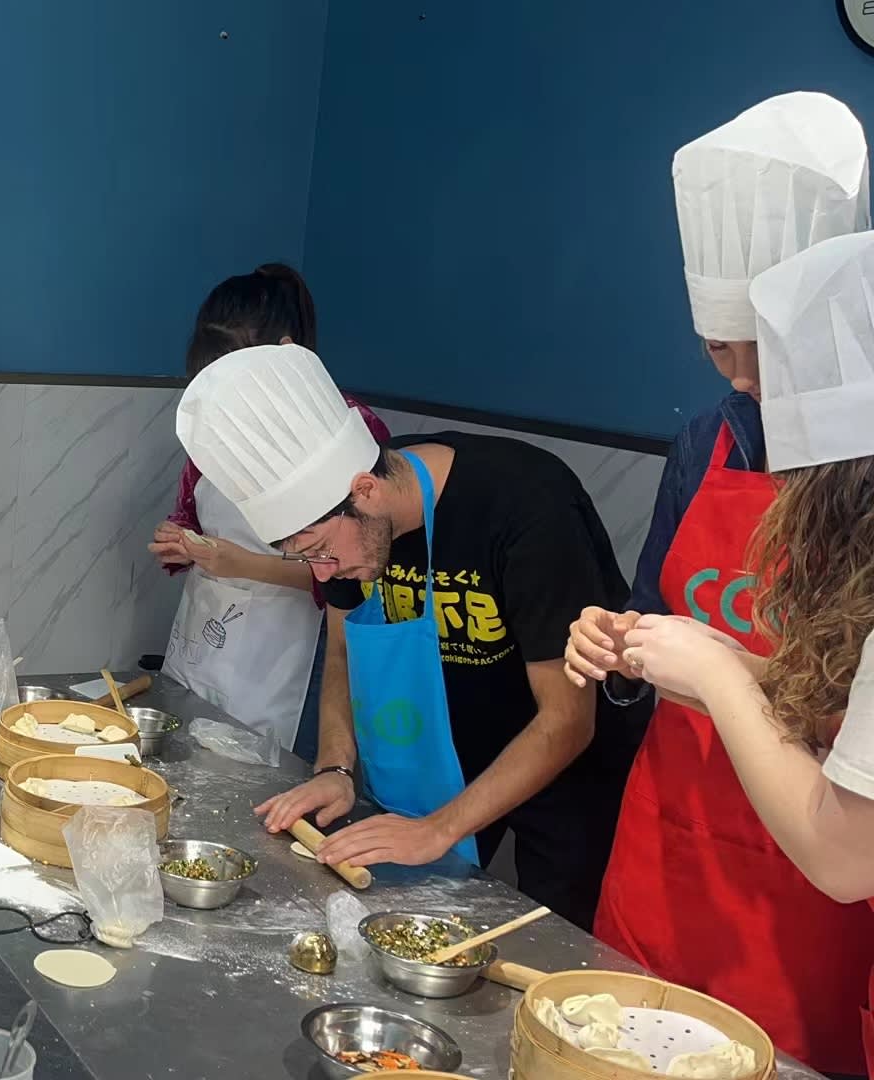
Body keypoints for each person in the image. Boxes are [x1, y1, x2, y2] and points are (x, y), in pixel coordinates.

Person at [566, 92, 874, 1075]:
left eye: (764, 352)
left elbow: (846, 833)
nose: (739, 376)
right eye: (717, 347)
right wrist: (624, 648)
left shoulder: (855, 478)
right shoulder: (703, 444)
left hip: (803, 889)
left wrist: (715, 668)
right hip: (666, 851)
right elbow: (659, 615)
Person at [178, 344, 647, 928]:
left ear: (365, 491)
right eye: (304, 558)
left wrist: (438, 830)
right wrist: (334, 769)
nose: (321, 574)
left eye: (320, 552)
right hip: (449, 749)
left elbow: (567, 721)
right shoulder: (345, 532)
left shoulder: (527, 506)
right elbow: (341, 652)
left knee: (552, 931)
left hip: (564, 760)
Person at [149, 263, 389, 754]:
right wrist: (181, 542)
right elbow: (191, 513)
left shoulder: (351, 432)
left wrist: (243, 563)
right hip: (206, 635)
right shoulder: (218, 429)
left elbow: (360, 573)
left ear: (285, 353)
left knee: (270, 776)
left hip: (291, 652)